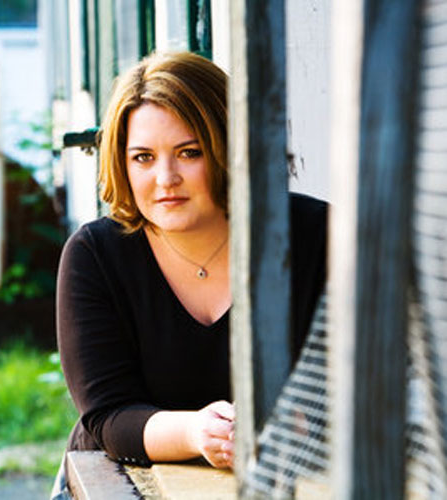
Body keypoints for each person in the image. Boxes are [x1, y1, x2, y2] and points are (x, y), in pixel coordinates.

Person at [52, 51, 327, 497]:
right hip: (121, 483)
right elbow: (108, 415)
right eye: (143, 157)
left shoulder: (318, 237)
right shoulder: (95, 255)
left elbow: (362, 380)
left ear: (230, 147)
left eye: (189, 152)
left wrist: (306, 419)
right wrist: (199, 432)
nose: (166, 178)